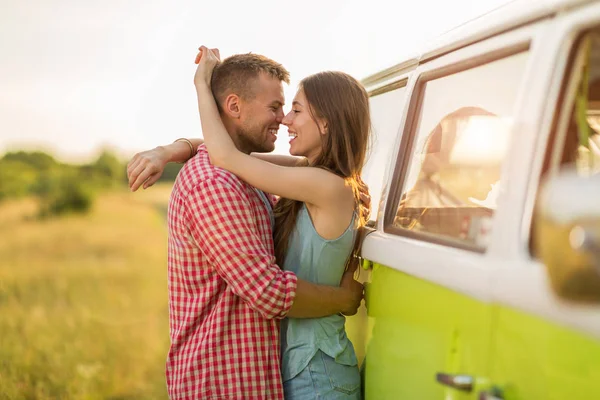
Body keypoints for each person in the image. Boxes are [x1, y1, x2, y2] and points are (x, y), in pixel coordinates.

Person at [127, 50, 365, 400]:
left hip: (314, 369)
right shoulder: (275, 175)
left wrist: (201, 88)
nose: (285, 120)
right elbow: (223, 153)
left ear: (326, 123)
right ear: (235, 106)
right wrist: (171, 148)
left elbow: (227, 155)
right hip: (284, 369)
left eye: (294, 110)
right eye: (278, 108)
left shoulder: (323, 184)